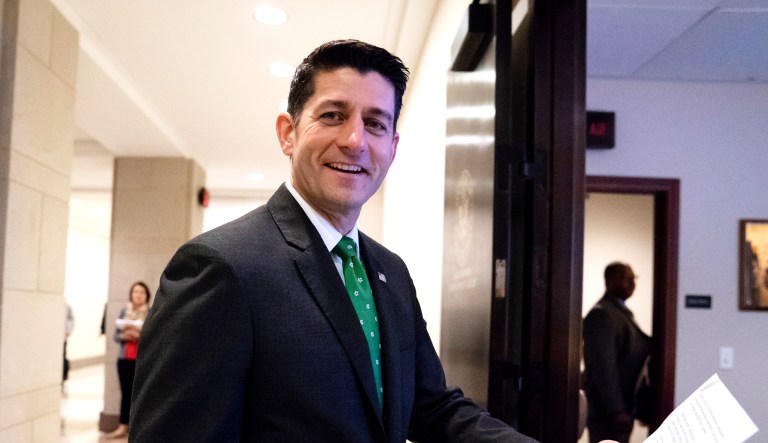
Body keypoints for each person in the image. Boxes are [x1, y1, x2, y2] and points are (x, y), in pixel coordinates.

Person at [129, 39, 538, 442]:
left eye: (375, 123)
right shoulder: (219, 267)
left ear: (392, 148)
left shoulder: (390, 272)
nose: (355, 141)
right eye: (332, 116)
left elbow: (432, 408)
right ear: (288, 133)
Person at [582, 262, 651, 443]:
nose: (629, 281)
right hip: (607, 411)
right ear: (608, 281)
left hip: (620, 409)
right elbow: (603, 367)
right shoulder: (602, 314)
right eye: (623, 277)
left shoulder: (619, 312)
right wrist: (616, 410)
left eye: (632, 277)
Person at [106, 281, 151, 439]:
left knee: (140, 394)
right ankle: (122, 426)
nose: (138, 295)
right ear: (131, 294)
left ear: (147, 296)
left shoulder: (151, 313)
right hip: (124, 358)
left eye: (141, 292)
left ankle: (138, 428)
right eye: (135, 292)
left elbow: (153, 338)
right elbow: (115, 336)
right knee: (126, 393)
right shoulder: (124, 311)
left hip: (142, 361)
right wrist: (125, 335)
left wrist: (140, 336)